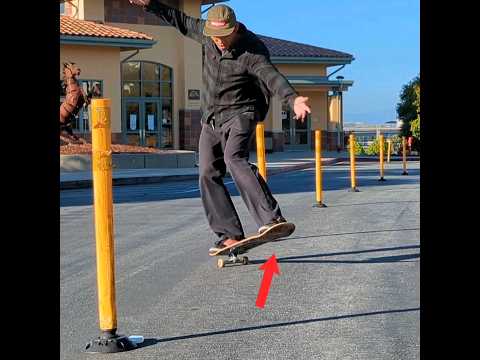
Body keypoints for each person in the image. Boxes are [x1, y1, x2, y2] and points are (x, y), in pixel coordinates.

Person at [129, 0, 311, 253]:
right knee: (206, 172)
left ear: (235, 28)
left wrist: (292, 99)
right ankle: (229, 234)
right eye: (215, 38)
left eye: (224, 37)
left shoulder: (252, 50)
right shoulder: (207, 34)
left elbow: (271, 76)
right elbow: (179, 20)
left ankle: (272, 219)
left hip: (242, 112)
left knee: (234, 157)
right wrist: (151, 5)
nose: (220, 42)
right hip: (211, 117)